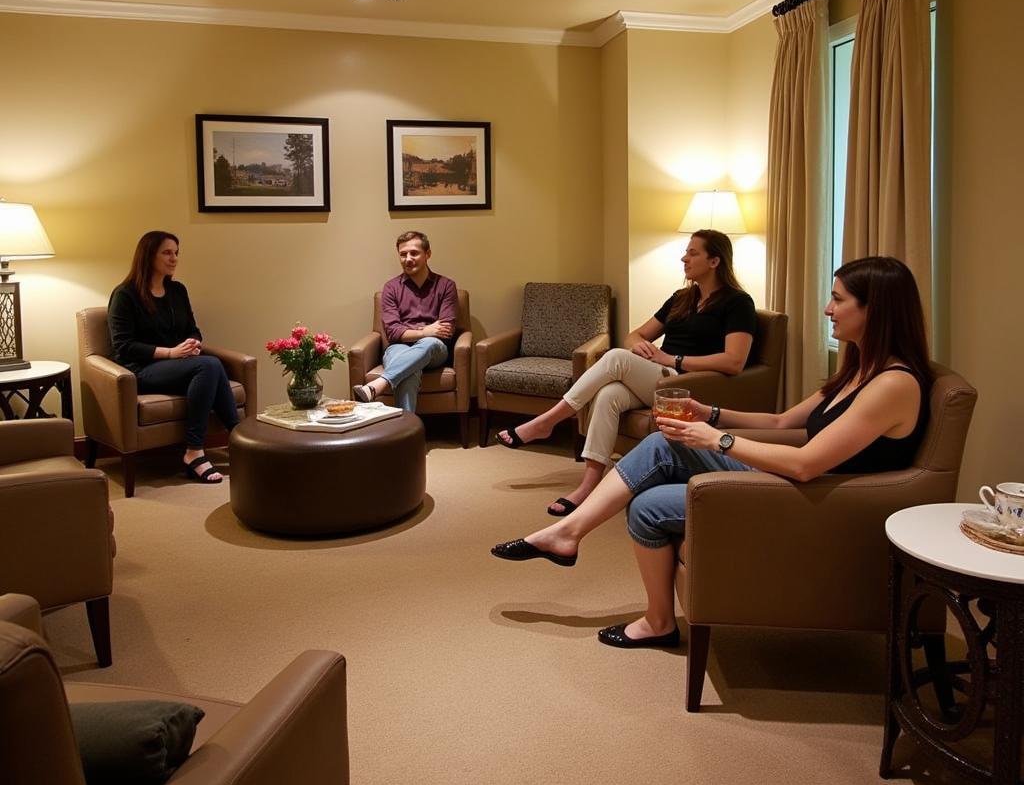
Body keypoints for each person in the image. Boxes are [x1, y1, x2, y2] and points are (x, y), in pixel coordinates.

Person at [491, 256, 932, 650]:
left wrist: (714, 438)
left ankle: (570, 535)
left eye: (837, 300)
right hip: (802, 485)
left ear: (875, 309)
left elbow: (806, 462)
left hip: (817, 501)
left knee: (664, 448)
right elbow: (782, 423)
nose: (827, 309)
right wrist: (712, 413)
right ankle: (656, 619)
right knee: (646, 499)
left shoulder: (893, 384)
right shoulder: (858, 370)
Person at [496, 229, 756, 517]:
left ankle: (546, 421)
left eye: (693, 252)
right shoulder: (682, 298)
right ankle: (589, 486)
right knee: (609, 393)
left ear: (714, 261)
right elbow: (636, 335)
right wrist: (641, 347)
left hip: (690, 386)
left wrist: (673, 358)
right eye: (686, 251)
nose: (684, 258)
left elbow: (734, 361)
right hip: (660, 375)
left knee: (616, 358)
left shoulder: (737, 302)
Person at [108, 231, 239, 484]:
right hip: (142, 369)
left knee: (211, 367)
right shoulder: (125, 295)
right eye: (167, 252)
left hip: (179, 365)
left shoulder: (177, 290)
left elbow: (192, 328)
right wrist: (170, 352)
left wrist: (192, 343)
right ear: (148, 256)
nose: (174, 258)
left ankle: (236, 440)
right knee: (211, 365)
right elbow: (124, 346)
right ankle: (196, 450)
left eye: (176, 253)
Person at [352, 231, 458, 412]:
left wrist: (414, 332)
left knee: (429, 342)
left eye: (414, 253)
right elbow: (393, 332)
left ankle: (379, 384)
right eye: (403, 254)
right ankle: (407, 432)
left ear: (428, 254)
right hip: (398, 347)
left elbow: (445, 330)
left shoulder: (446, 285)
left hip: (435, 349)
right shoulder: (391, 288)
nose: (408, 259)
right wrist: (426, 330)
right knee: (410, 371)